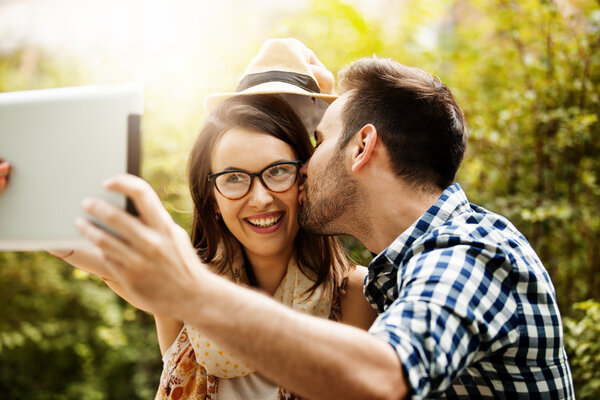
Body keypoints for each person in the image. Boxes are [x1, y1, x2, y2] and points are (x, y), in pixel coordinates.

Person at [4, 41, 576, 399]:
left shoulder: (470, 254)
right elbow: (95, 249)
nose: (299, 173)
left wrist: (190, 289)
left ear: (361, 147)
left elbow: (384, 377)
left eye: (315, 144)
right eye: (234, 178)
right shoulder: (399, 271)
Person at [0, 39, 376, 399]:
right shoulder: (181, 283)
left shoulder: (356, 295)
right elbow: (69, 241)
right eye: (233, 179)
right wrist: (13, 187)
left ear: (304, 180)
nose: (260, 198)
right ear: (211, 198)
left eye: (278, 171)